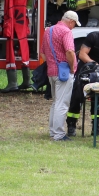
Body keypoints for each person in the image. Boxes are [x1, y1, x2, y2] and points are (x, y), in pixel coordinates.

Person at [40, 10, 79, 141]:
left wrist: (52, 63)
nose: (74, 27)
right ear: (71, 21)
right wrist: (72, 68)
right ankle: (59, 134)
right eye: (74, 24)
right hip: (63, 73)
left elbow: (42, 53)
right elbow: (69, 51)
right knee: (62, 104)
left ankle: (52, 131)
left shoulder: (48, 30)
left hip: (51, 71)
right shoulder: (66, 32)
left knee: (56, 102)